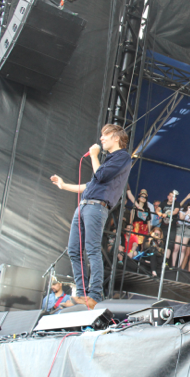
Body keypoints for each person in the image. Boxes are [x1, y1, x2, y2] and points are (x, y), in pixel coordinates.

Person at [50, 124, 131, 309]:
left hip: (96, 207)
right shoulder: (109, 161)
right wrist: (63, 185)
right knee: (74, 250)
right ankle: (81, 294)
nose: (101, 138)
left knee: (92, 249)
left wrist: (94, 156)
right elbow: (90, 185)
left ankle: (94, 295)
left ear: (116, 138)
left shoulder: (122, 157)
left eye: (105, 135)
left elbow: (100, 176)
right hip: (84, 206)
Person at [172, 201, 190, 269]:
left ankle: (179, 266)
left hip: (188, 228)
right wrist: (186, 214)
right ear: (187, 206)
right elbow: (181, 218)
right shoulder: (182, 210)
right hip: (181, 226)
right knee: (176, 247)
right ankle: (173, 264)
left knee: (183, 248)